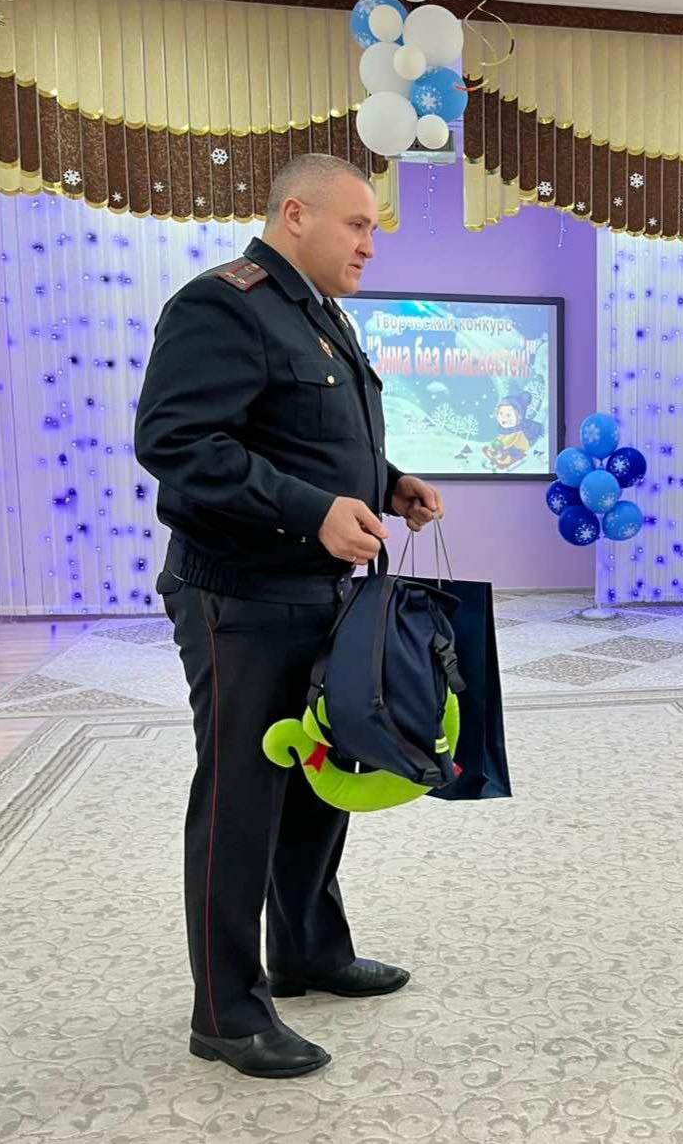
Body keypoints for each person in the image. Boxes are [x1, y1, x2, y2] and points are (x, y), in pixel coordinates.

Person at [134, 153, 445, 1079]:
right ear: (295, 214)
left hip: (320, 592)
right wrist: (311, 511)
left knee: (319, 775)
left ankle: (307, 950)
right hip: (239, 596)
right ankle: (227, 1013)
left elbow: (303, 437)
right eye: (357, 225)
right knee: (242, 795)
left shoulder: (318, 313)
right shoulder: (222, 304)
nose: (370, 244)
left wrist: (387, 483)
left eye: (374, 228)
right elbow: (176, 442)